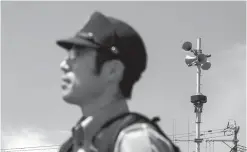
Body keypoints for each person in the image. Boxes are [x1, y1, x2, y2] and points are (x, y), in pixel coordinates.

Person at [56, 11, 180, 152]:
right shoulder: (71, 146)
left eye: (77, 54)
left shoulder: (135, 141)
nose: (63, 65)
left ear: (113, 71)